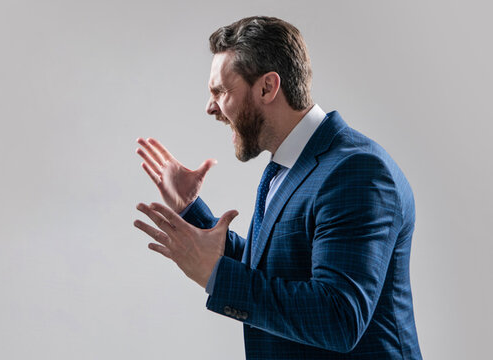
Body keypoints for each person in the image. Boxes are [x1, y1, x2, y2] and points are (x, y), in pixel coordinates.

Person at [133, 16, 421, 359]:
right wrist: (191, 210)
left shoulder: (358, 172)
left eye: (221, 91)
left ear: (268, 87)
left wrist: (217, 276)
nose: (210, 107)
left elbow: (339, 318)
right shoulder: (285, 166)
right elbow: (275, 268)